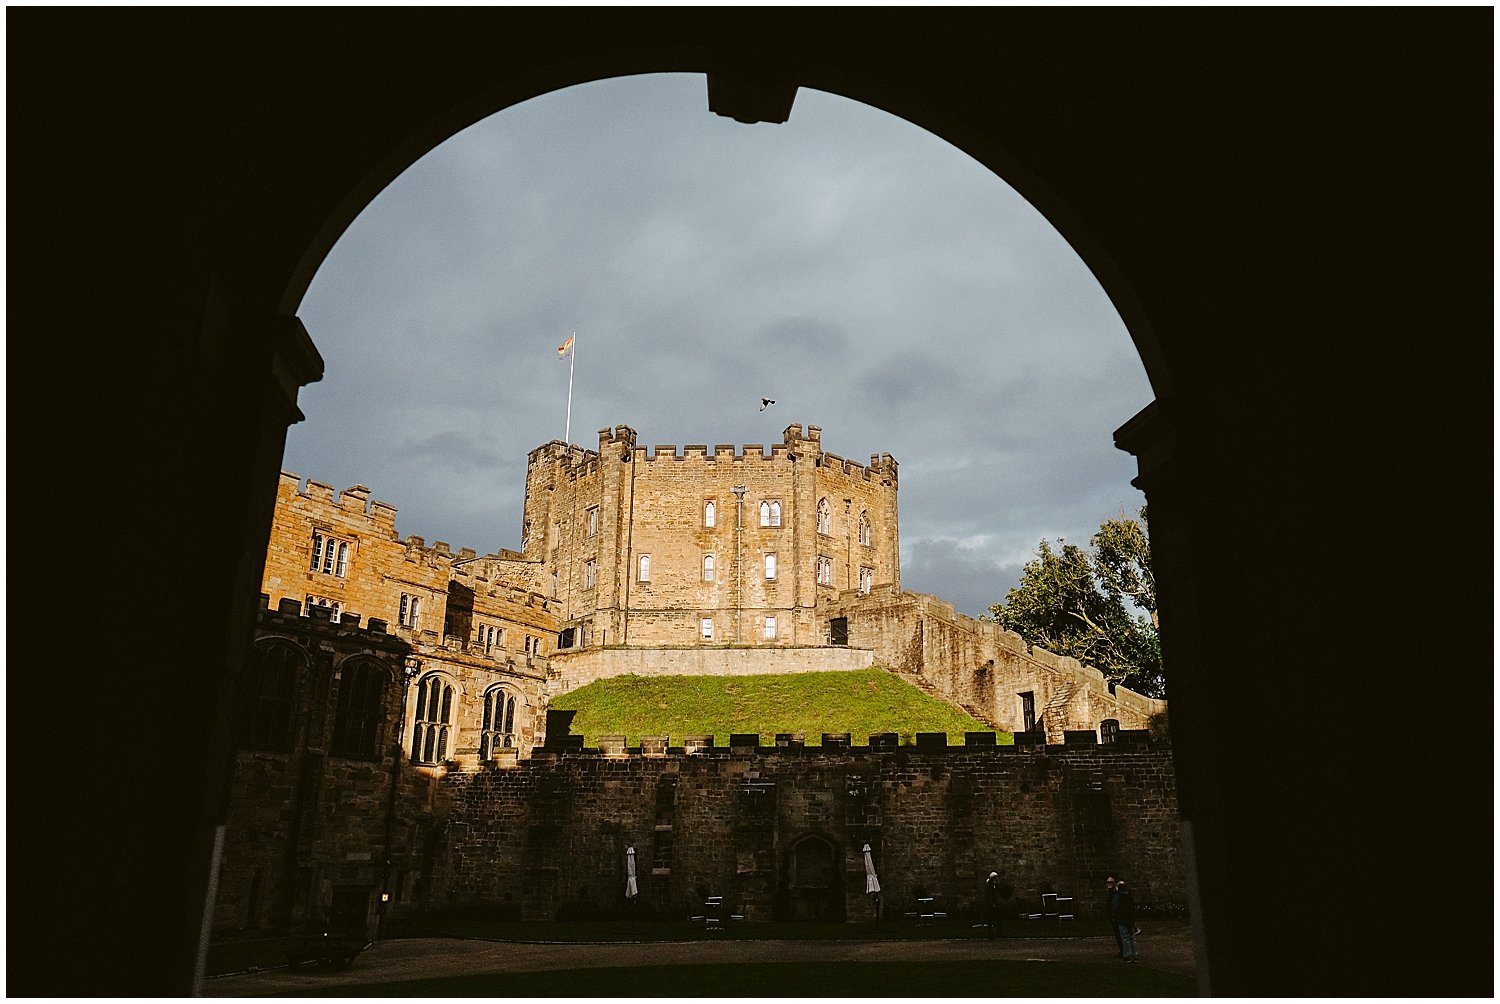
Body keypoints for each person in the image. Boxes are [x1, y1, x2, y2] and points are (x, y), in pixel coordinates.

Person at [1113, 877, 1139, 963]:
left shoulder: (1118, 896)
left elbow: (1115, 907)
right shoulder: (1129, 896)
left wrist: (1115, 916)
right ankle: (1135, 955)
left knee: (1125, 937)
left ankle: (1127, 955)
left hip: (1122, 919)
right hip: (1130, 919)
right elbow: (1132, 907)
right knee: (1132, 937)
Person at [983, 872, 1011, 939]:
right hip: (990, 904)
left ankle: (999, 932)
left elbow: (1001, 891)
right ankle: (991, 933)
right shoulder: (988, 885)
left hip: (995, 903)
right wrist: (991, 903)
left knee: (999, 918)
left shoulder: (995, 885)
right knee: (990, 919)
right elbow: (988, 896)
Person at [1105, 875, 1124, 958]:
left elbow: (1115, 905)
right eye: (1108, 882)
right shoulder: (1111, 892)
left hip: (1116, 917)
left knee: (1120, 935)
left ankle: (1124, 951)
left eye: (1111, 882)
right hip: (1112, 917)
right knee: (1118, 935)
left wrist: (1114, 916)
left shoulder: (1115, 893)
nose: (1109, 884)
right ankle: (1122, 951)